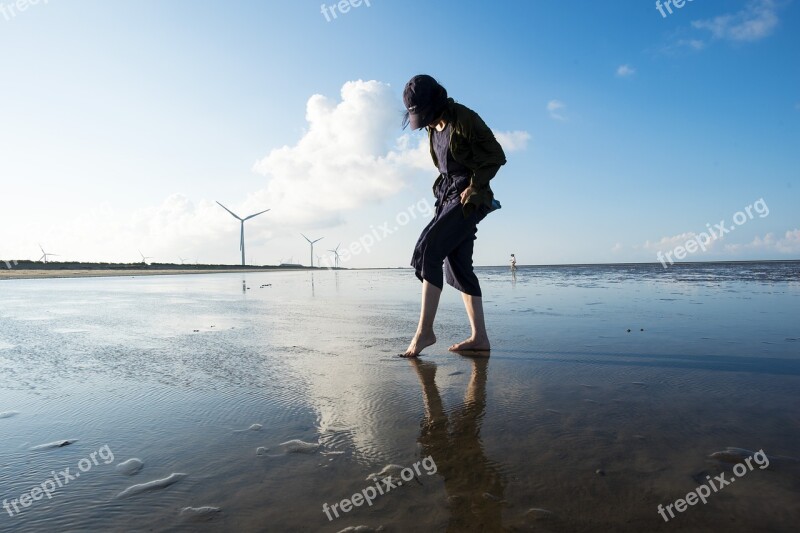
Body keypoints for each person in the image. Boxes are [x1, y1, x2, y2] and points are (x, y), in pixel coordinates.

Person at [401, 74, 506, 357]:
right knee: (458, 265)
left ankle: (425, 332)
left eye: (426, 115)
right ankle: (479, 338)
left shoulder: (465, 119)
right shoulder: (432, 129)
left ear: (436, 103)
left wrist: (474, 185)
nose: (425, 123)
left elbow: (496, 155)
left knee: (430, 248)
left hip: (469, 197)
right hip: (447, 197)